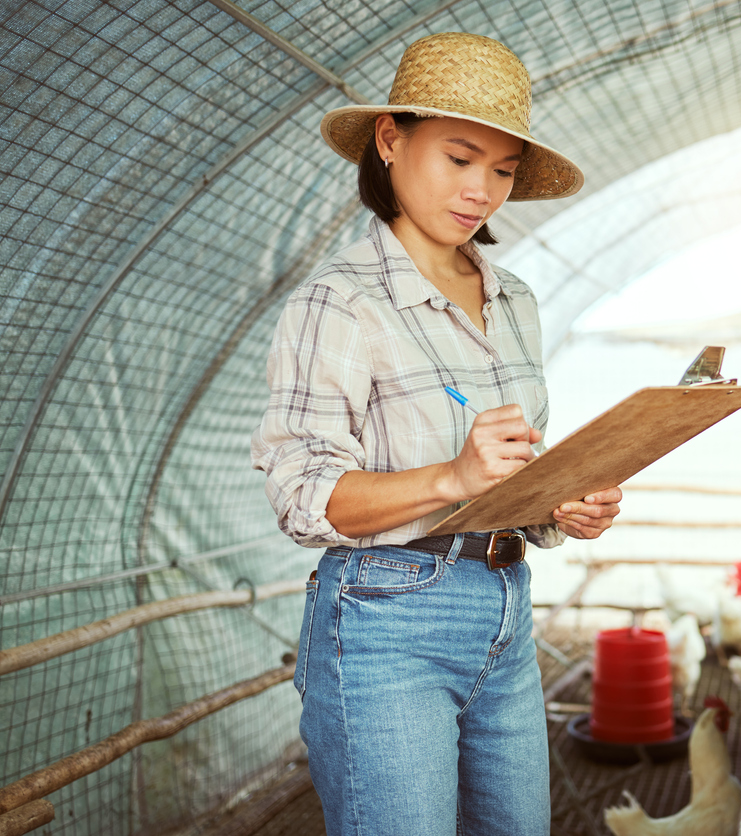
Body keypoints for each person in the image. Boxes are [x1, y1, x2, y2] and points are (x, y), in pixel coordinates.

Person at [250, 32, 622, 836]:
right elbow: (302, 496)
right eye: (459, 158)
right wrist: (450, 477)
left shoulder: (514, 298)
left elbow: (509, 472)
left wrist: (559, 505)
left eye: (502, 170)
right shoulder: (339, 303)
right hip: (386, 618)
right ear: (390, 139)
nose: (481, 190)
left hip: (503, 607)